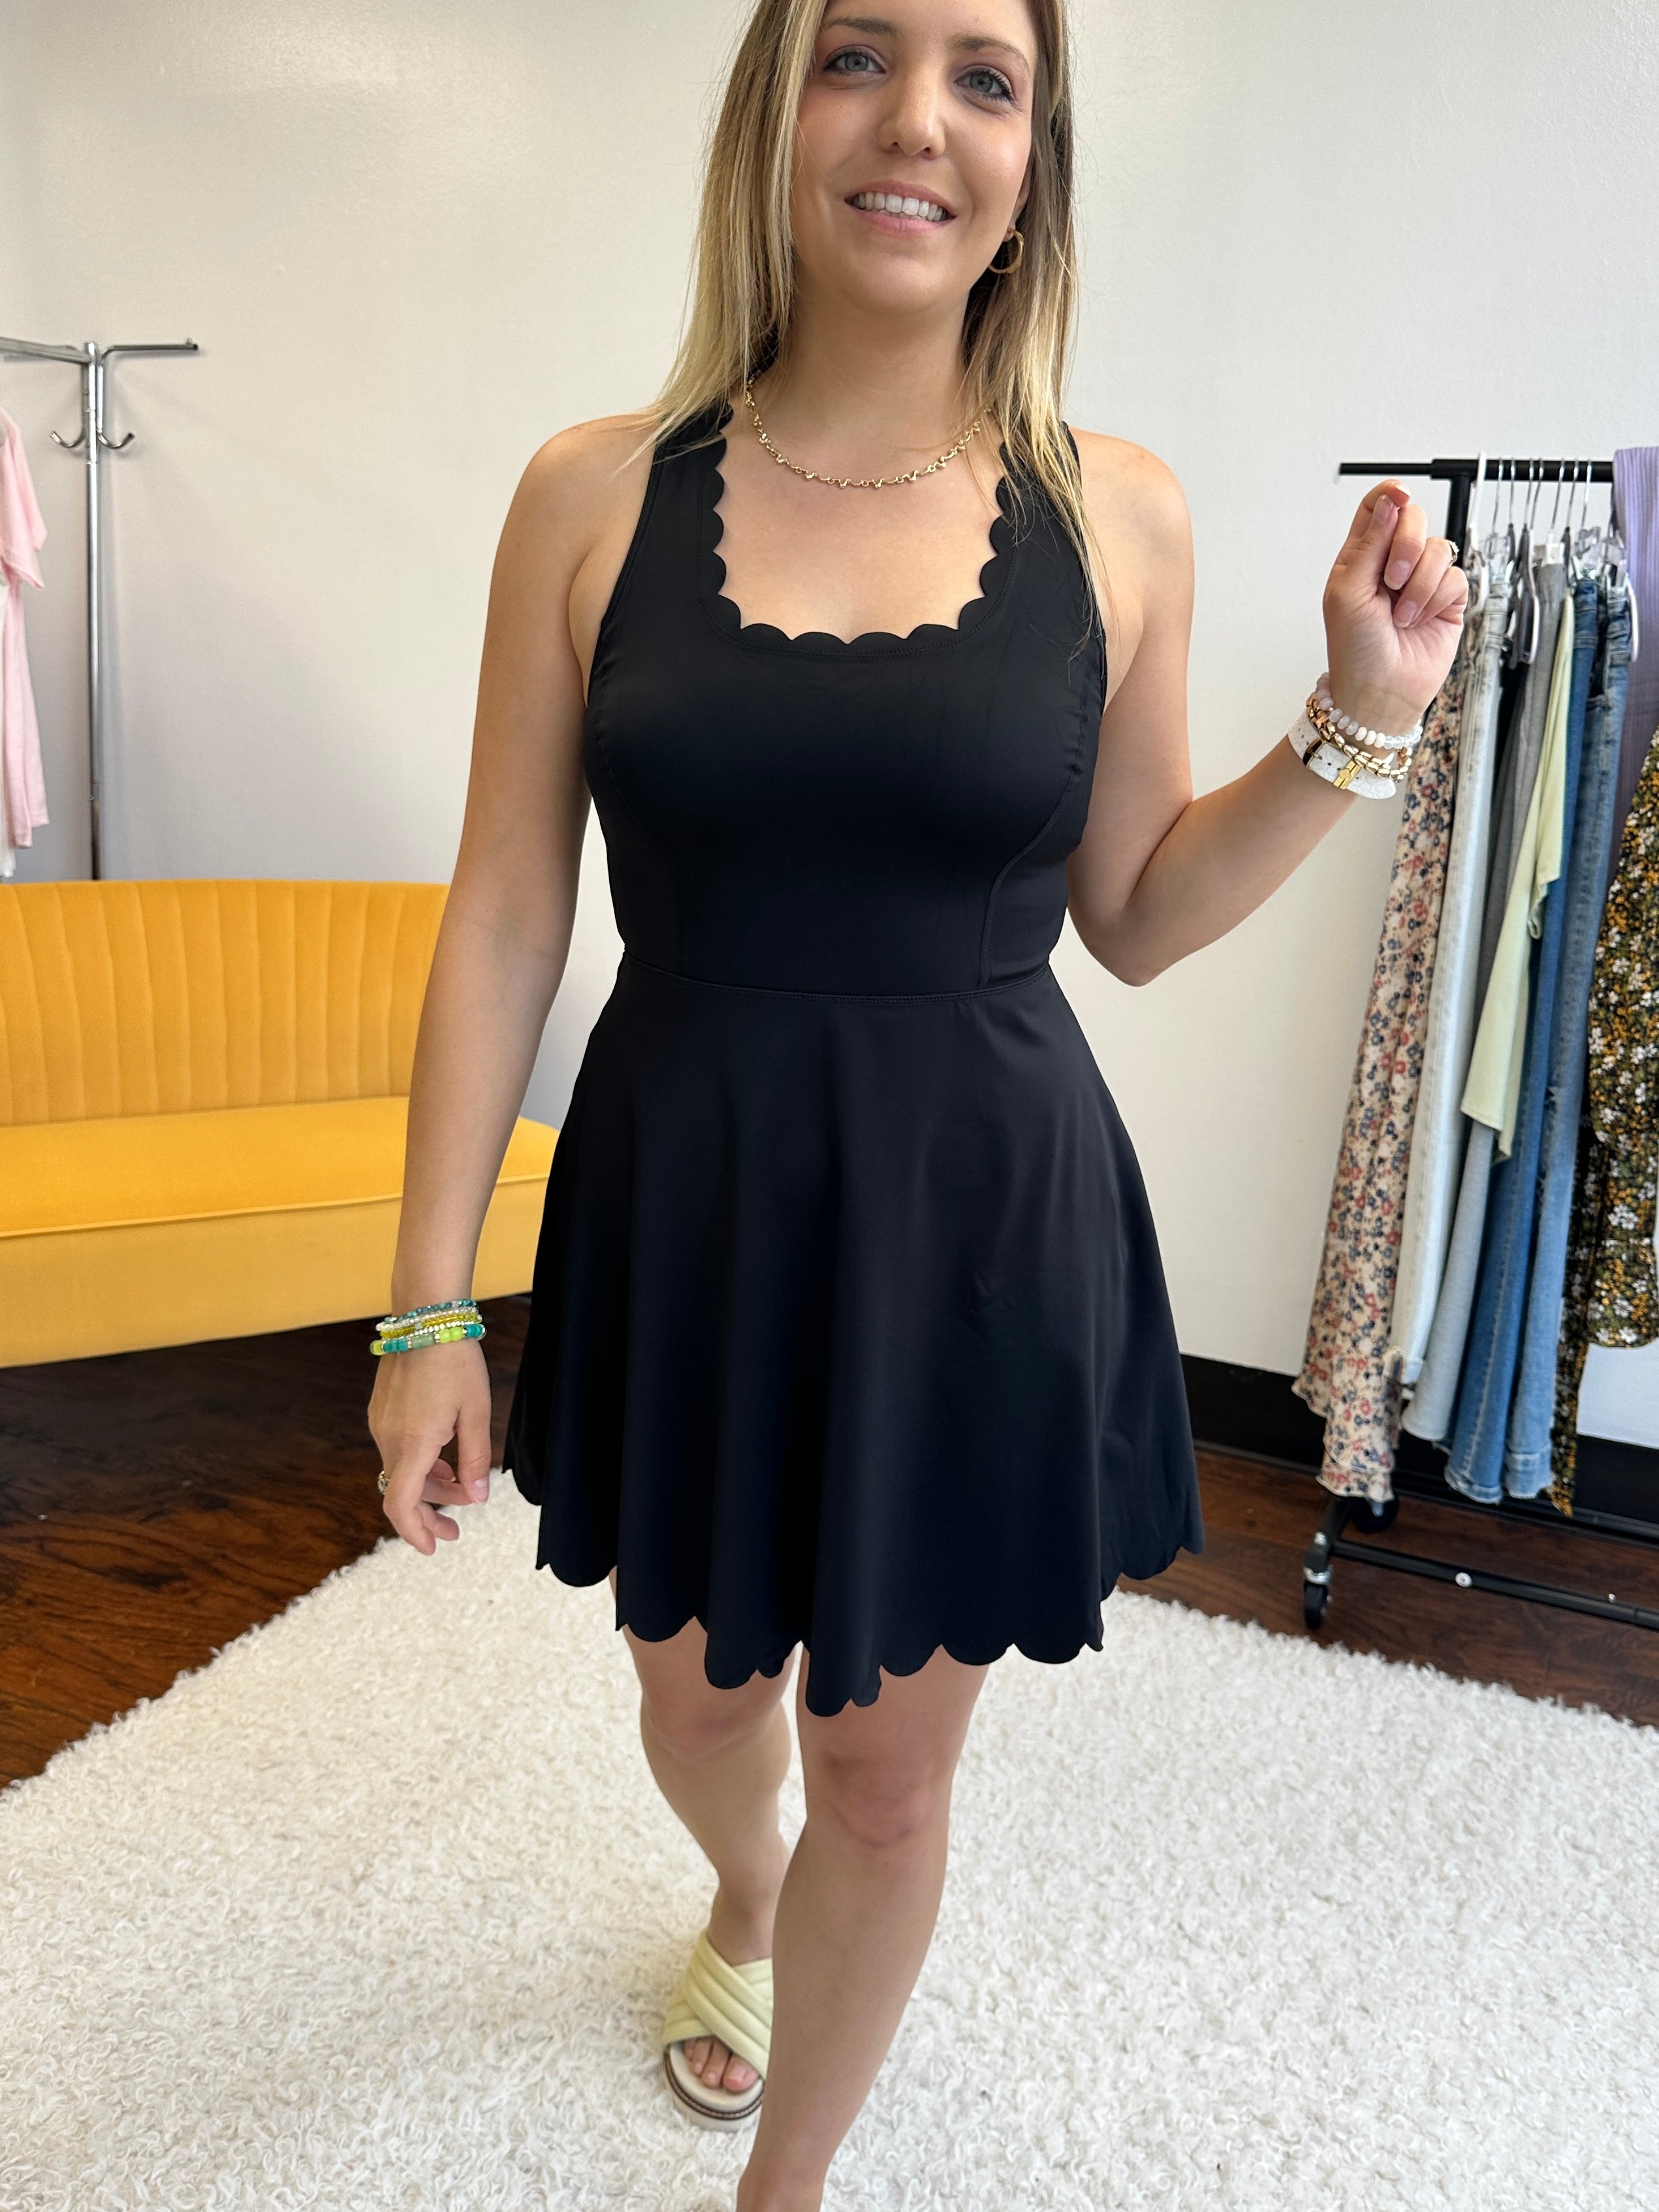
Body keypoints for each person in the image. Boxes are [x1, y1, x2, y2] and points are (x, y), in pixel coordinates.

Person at [366, 0, 1468, 2203]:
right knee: (697, 1703)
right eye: (859, 55)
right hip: (689, 1204)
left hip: (975, 1228)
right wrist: (426, 1306)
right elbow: (504, 912)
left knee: (885, 1768)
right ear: (776, 110)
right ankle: (741, 1884)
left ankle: (788, 2180)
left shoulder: (1117, 513)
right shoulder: (591, 493)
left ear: (1034, 160)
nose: (918, 124)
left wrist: (1357, 725)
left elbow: (1135, 913)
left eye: (987, 76)